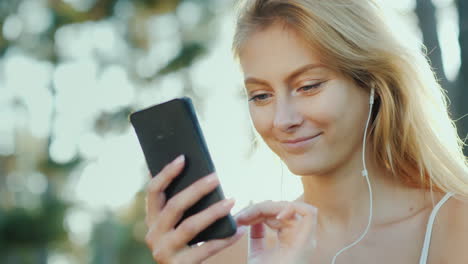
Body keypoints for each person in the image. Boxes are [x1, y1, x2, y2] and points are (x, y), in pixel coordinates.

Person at [143, 0, 468, 263]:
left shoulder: (457, 226)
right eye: (261, 95)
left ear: (372, 82)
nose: (282, 120)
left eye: (308, 86)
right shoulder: (231, 253)